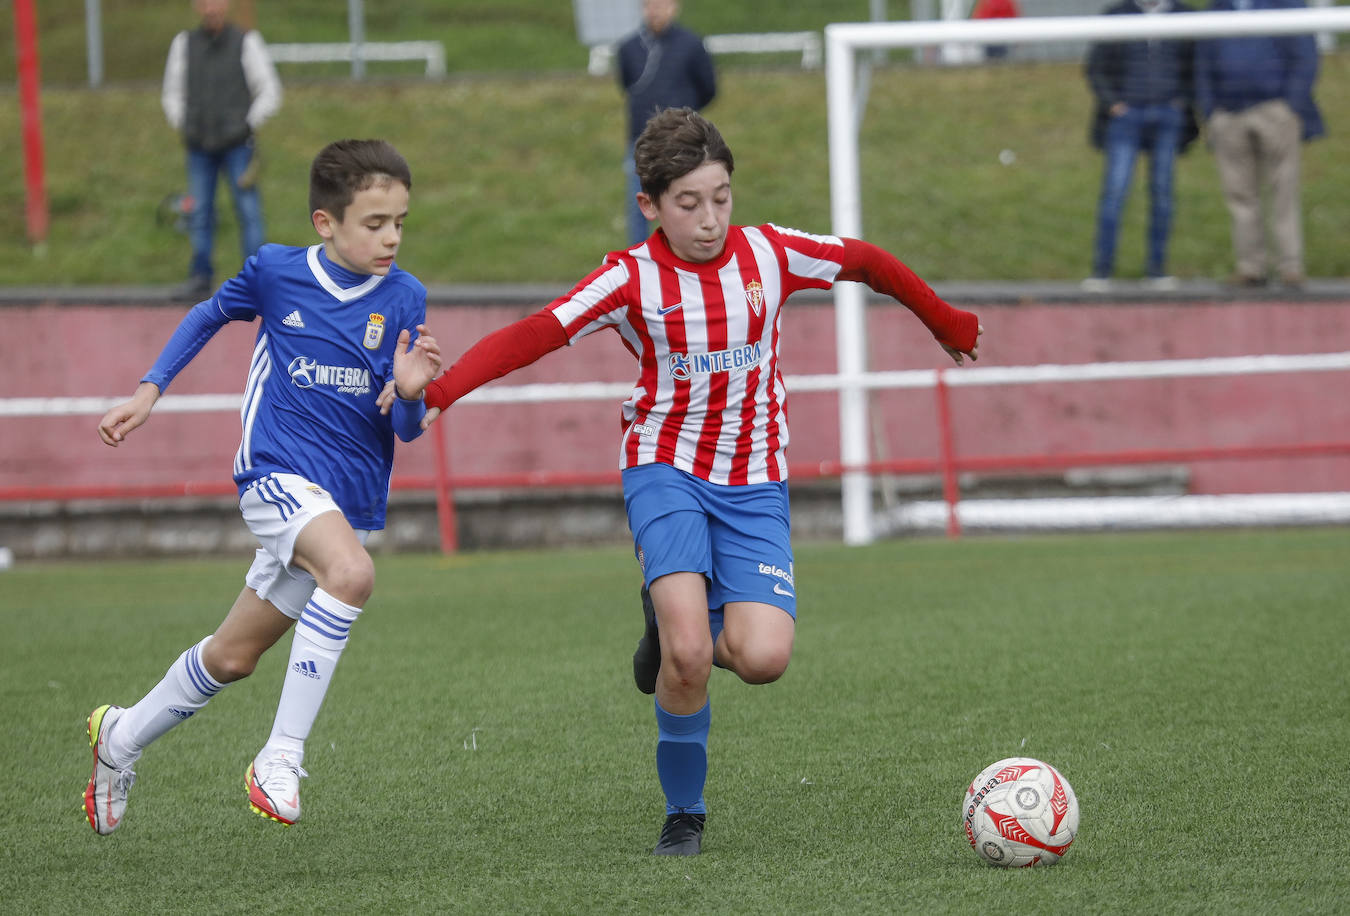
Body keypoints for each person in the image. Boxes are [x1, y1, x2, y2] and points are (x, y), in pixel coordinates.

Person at [390, 109, 982, 856]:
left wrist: (944, 320)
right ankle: (685, 814)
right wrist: (434, 395)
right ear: (651, 206)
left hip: (756, 481)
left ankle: (669, 623)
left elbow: (866, 260)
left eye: (721, 197)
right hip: (664, 471)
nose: (709, 219)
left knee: (763, 659)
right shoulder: (629, 277)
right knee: (692, 657)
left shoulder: (771, 254)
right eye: (688, 203)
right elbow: (534, 333)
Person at [83, 139, 441, 835]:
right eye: (374, 223)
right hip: (275, 478)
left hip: (346, 507)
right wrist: (148, 390)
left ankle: (118, 739)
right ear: (325, 223)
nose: (391, 236)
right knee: (352, 573)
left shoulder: (406, 297)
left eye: (400, 221)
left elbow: (407, 427)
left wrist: (408, 392)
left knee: (233, 655)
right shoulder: (278, 272)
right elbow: (208, 315)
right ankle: (280, 757)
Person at [1194, 0, 1324, 289]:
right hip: (1228, 114)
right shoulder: (1217, 11)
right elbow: (1202, 64)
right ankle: (1251, 266)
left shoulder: (1288, 5)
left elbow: (1305, 56)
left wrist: (1291, 104)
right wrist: (1211, 111)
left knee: (1283, 191)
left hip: (1275, 111)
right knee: (1239, 195)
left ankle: (1290, 266)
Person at [162, 0, 282, 301]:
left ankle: (256, 281)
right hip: (198, 145)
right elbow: (172, 93)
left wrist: (248, 122)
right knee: (200, 211)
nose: (210, 8)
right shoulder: (183, 44)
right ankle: (200, 277)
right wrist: (185, 124)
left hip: (238, 144)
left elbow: (269, 89)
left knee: (248, 210)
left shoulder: (246, 42)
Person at [1081, 0, 1198, 292]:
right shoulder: (1116, 17)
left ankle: (1156, 271)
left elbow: (1198, 65)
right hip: (1125, 117)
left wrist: (1182, 101)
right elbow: (1095, 67)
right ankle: (1102, 271)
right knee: (1115, 193)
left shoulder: (1186, 18)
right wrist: (1113, 104)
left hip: (1168, 116)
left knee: (1163, 193)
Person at [617, 0, 716, 246]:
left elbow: (708, 88)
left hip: (681, 141)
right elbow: (627, 83)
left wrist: (683, 116)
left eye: (662, 4)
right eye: (650, 4)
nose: (656, 10)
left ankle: (687, 253)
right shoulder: (629, 47)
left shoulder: (691, 44)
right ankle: (639, 261)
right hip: (641, 140)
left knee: (685, 199)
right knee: (640, 202)